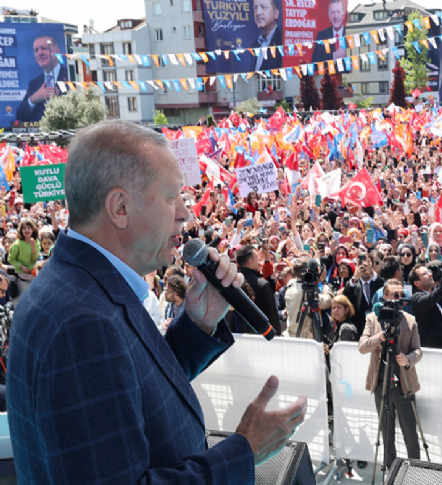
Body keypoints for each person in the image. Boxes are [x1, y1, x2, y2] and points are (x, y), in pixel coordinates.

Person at [7, 120, 307, 483]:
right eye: (170, 197)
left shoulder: (78, 284)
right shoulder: (82, 324)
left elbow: (128, 394)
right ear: (120, 208)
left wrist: (198, 323)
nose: (185, 213)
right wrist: (244, 450)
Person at [358, 279, 422, 470]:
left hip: (403, 385)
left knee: (411, 434)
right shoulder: (372, 319)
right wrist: (381, 337)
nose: (400, 299)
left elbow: (418, 351)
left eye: (402, 295)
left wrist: (408, 359)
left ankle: (415, 472)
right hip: (381, 384)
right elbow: (362, 347)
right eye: (395, 295)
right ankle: (390, 472)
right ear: (384, 297)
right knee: (386, 434)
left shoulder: (410, 320)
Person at [409, 242, 442, 349]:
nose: (430, 274)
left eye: (429, 272)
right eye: (425, 274)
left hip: (440, 349)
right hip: (430, 353)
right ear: (416, 283)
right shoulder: (417, 299)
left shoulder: (428, 295)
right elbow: (440, 292)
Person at [17, 36, 67, 123]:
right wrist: (33, 99)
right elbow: (20, 115)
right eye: (36, 50)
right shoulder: (34, 84)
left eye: (44, 48)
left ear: (57, 52)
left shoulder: (70, 76)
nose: (39, 53)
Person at [236, 245, 281, 335]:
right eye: (256, 258)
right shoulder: (262, 285)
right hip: (258, 338)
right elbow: (272, 317)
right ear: (250, 262)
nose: (259, 261)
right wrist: (277, 335)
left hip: (235, 336)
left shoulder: (230, 282)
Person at [284, 257, 333, 338]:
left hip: (290, 335)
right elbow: (327, 301)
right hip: (304, 340)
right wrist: (324, 282)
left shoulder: (291, 285)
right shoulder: (306, 292)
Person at [343, 255, 383, 339]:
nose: (364, 268)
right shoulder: (353, 284)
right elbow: (345, 296)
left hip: (376, 326)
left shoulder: (377, 282)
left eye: (367, 265)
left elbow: (382, 286)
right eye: (361, 265)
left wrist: (371, 272)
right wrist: (355, 278)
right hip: (358, 326)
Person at [251, 0, 283, 72]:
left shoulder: (282, 41)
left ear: (276, 14)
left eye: (263, 7)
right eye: (255, 8)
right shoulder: (255, 45)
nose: (258, 12)